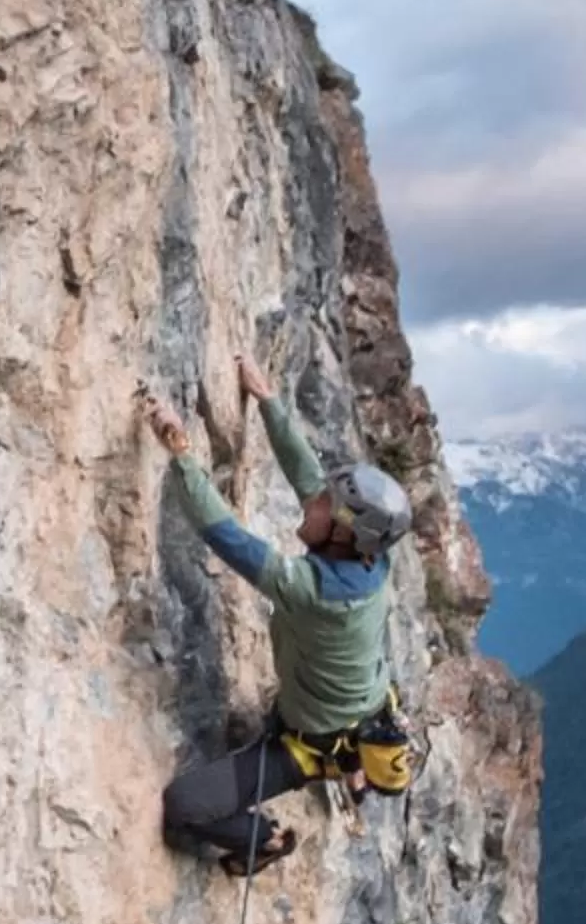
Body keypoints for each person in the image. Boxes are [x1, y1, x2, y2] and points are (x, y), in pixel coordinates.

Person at [145, 354, 412, 877]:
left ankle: (265, 840)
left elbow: (226, 537)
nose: (312, 504)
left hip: (307, 747)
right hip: (354, 711)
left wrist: (180, 454)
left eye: (325, 507)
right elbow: (310, 479)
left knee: (184, 804)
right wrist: (267, 401)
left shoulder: (315, 591)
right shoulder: (372, 557)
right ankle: (347, 765)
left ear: (342, 532)